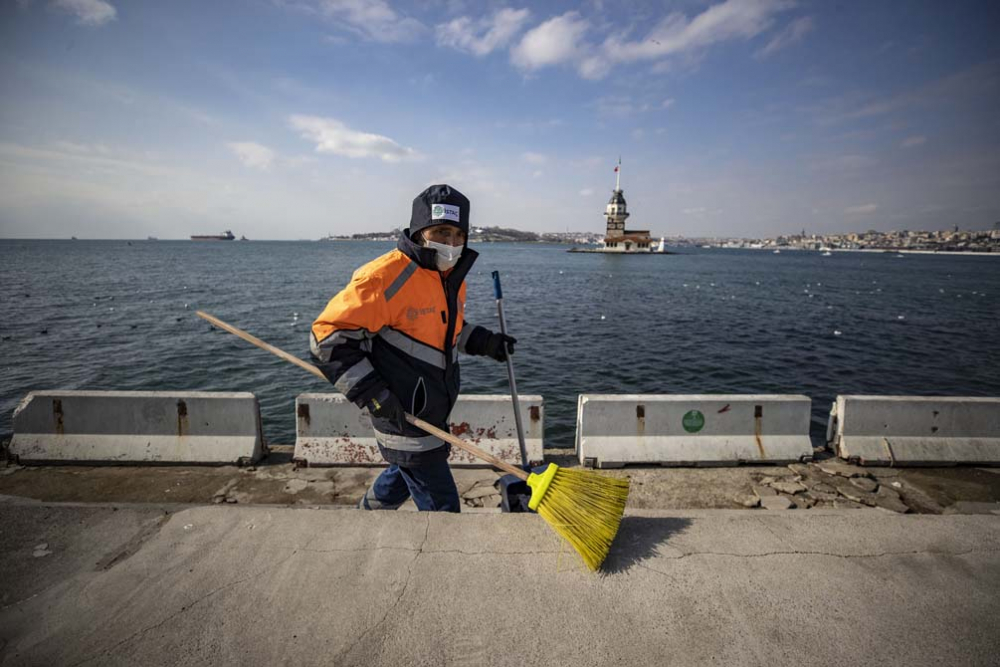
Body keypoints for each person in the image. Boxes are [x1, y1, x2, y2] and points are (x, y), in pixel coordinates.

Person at [310, 184, 516, 512]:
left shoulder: (448, 277)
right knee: (442, 507)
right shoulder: (383, 278)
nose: (450, 243)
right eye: (441, 232)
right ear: (420, 233)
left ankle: (365, 516)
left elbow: (444, 332)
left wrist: (486, 342)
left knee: (401, 475)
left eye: (458, 234)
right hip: (402, 415)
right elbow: (327, 338)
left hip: (433, 410)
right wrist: (373, 394)